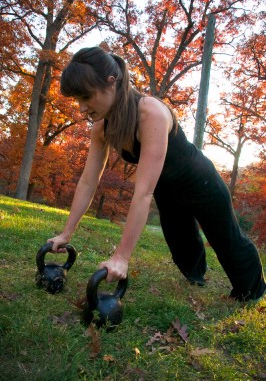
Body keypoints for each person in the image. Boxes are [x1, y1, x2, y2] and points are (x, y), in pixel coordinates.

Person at [48, 46, 265, 301]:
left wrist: (121, 257)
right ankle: (197, 277)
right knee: (181, 245)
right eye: (77, 100)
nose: (81, 108)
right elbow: (88, 181)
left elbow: (142, 193)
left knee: (226, 240)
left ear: (111, 83)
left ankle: (254, 292)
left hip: (200, 182)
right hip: (167, 189)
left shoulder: (150, 112)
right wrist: (66, 233)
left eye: (86, 97)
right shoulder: (101, 127)